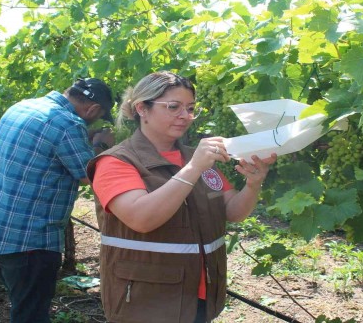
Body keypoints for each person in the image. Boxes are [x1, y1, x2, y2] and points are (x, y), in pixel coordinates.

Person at [87, 71, 277, 323]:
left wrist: (253, 184)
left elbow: (232, 210)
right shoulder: (116, 162)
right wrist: (193, 168)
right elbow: (141, 219)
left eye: (190, 108)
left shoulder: (196, 158)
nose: (185, 116)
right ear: (142, 108)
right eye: (174, 107)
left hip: (199, 294)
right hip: (146, 302)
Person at [0, 78, 115, 323]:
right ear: (93, 110)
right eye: (97, 117)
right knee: (31, 314)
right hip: (27, 241)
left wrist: (85, 136)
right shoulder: (67, 125)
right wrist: (101, 144)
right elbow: (89, 175)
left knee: (23, 303)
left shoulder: (23, 106)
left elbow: (47, 145)